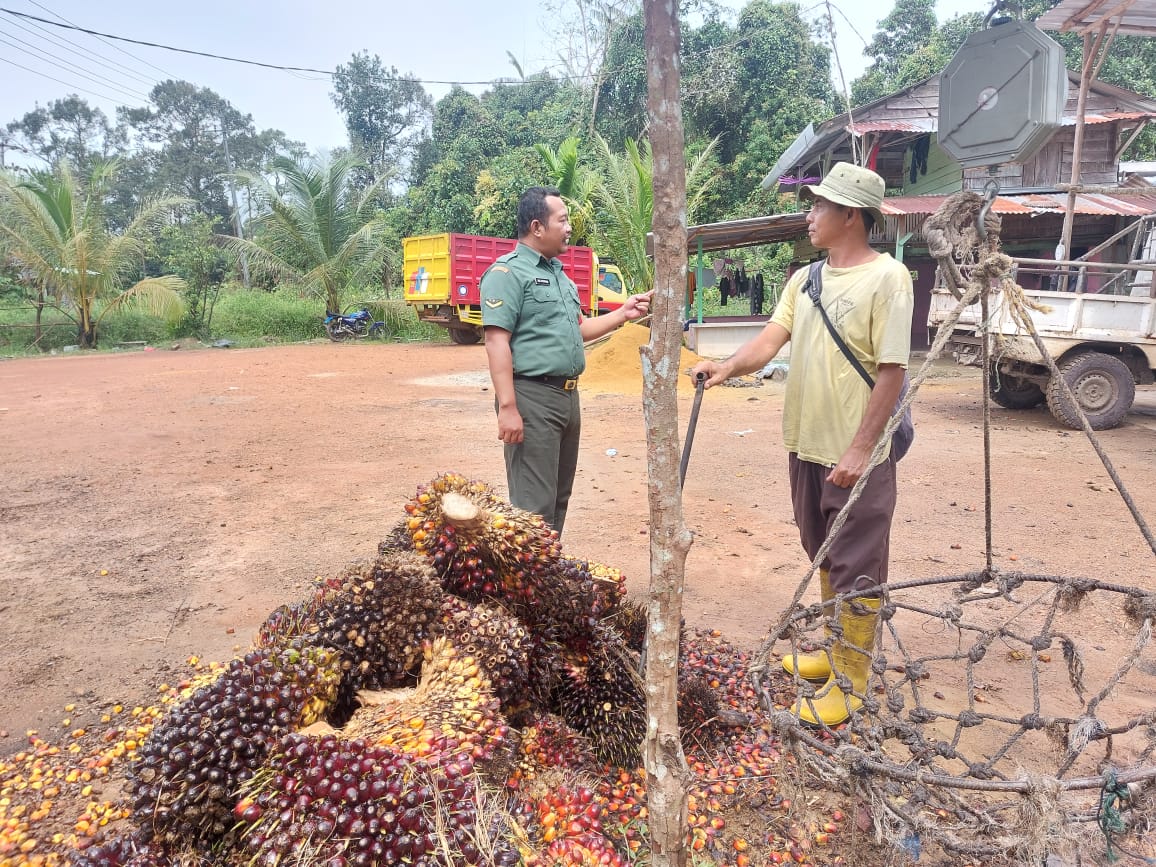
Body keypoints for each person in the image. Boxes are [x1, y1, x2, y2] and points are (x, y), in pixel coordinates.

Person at [690, 163, 913, 726]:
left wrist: (861, 449)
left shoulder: (888, 278)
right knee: (822, 550)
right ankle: (833, 654)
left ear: (851, 216)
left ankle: (852, 681)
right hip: (806, 445)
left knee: (858, 562)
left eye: (820, 206)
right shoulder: (805, 280)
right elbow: (769, 342)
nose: (809, 215)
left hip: (855, 454)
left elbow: (891, 373)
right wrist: (725, 367)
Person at [481, 186, 653, 534]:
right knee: (534, 506)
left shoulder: (559, 275)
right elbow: (496, 341)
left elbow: (580, 329)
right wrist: (508, 407)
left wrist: (623, 313)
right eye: (563, 220)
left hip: (566, 398)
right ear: (537, 227)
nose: (570, 227)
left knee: (558, 498)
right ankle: (529, 584)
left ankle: (549, 579)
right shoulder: (508, 274)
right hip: (531, 398)